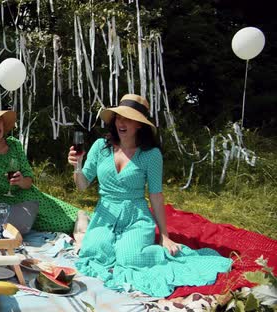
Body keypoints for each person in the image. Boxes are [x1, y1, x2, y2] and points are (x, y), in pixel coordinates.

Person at [68, 94, 232, 297]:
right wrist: (77, 166)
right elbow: (82, 186)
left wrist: (164, 236)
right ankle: (102, 234)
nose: (122, 122)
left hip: (135, 216)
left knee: (129, 258)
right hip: (106, 213)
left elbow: (156, 195)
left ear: (139, 125)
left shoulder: (151, 154)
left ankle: (149, 250)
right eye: (119, 117)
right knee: (94, 252)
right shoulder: (101, 146)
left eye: (128, 119)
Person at [0, 102, 87, 237]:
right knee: (65, 225)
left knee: (76, 215)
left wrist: (21, 181)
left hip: (31, 197)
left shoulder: (14, 145)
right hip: (5, 207)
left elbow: (29, 181)